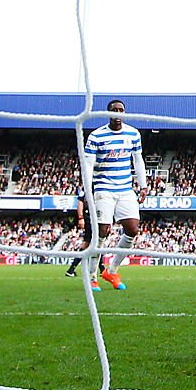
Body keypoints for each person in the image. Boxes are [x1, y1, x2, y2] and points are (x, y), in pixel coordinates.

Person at [83, 99, 147, 291]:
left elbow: (138, 159)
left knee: (132, 229)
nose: (118, 113)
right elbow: (87, 165)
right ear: (108, 113)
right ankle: (92, 276)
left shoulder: (133, 134)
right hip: (104, 188)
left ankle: (111, 270)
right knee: (102, 231)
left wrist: (143, 186)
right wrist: (88, 190)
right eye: (114, 110)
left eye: (121, 110)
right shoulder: (96, 136)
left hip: (125, 189)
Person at [63, 186, 105, 291]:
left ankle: (72, 269)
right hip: (89, 218)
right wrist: (81, 217)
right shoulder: (88, 186)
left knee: (94, 243)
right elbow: (80, 202)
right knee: (90, 243)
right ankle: (101, 269)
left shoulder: (99, 185)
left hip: (96, 218)